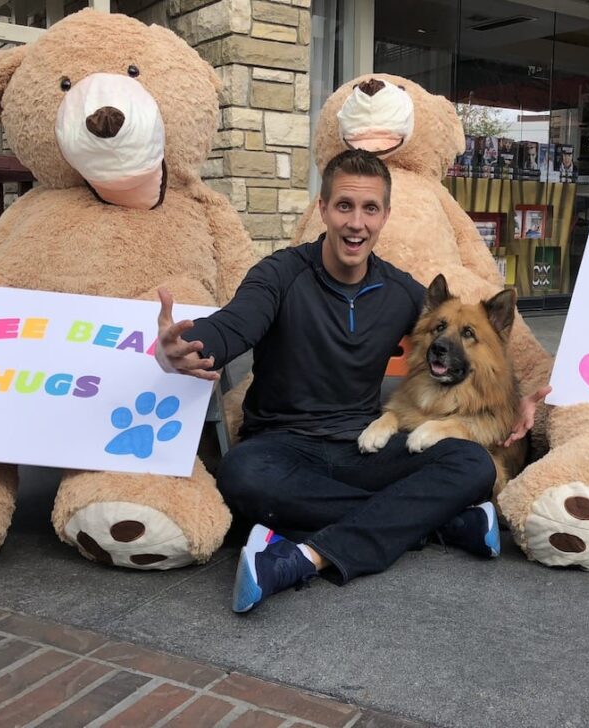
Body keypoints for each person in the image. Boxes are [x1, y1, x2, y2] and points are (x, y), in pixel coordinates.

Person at [155, 149, 548, 613]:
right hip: (281, 446)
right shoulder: (280, 273)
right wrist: (187, 345)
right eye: (344, 206)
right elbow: (234, 323)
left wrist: (533, 392)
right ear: (322, 209)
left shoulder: (402, 291)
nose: (355, 223)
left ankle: (303, 554)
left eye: (369, 209)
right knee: (241, 475)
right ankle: (434, 523)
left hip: (362, 445)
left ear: (384, 216)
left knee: (474, 466)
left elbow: (490, 340)